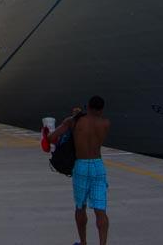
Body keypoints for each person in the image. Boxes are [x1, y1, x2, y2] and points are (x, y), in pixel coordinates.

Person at [49, 96, 111, 245]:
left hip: (81, 166)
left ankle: (83, 243)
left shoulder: (74, 121)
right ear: (102, 110)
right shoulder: (106, 123)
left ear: (87, 107)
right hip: (98, 165)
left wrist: (73, 117)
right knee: (100, 209)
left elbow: (52, 138)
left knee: (80, 206)